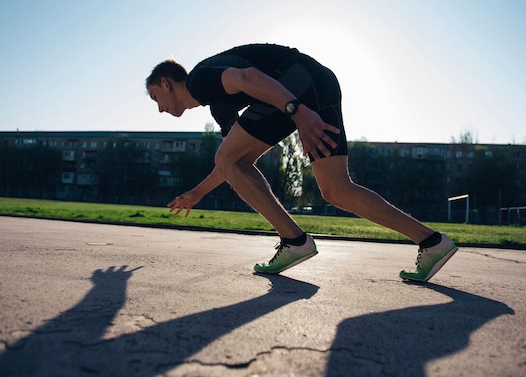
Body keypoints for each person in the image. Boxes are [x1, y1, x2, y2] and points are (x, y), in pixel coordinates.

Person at [145, 43, 457, 282]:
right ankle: (432, 243)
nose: (158, 108)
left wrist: (298, 110)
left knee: (230, 156)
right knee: (336, 191)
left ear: (166, 83)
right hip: (314, 84)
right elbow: (232, 163)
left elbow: (248, 77)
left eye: (154, 97)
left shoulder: (200, 80)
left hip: (301, 85)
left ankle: (294, 241)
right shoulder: (219, 107)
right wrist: (199, 192)